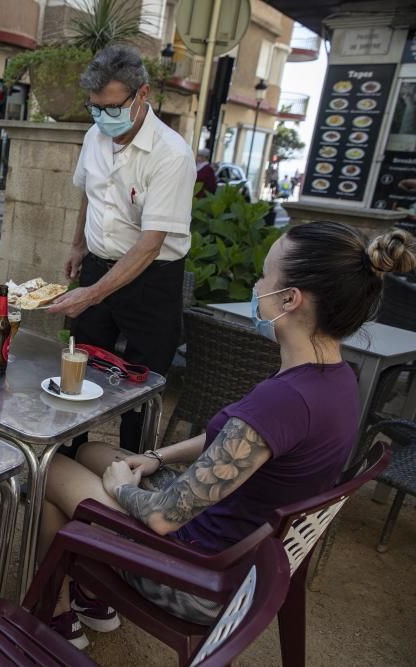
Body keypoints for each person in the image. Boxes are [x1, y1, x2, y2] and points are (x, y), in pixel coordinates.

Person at [39, 222, 416, 649]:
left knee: (50, 469)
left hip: (194, 576)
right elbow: (244, 443)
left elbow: (163, 517)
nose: (256, 286)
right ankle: (93, 595)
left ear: (290, 299)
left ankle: (57, 613)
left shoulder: (286, 399)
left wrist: (125, 490)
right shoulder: (334, 376)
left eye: (265, 276)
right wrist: (159, 457)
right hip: (236, 545)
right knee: (91, 449)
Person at [49, 45, 195, 453]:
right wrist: (78, 245)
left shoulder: (171, 155)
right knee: (79, 371)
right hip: (97, 265)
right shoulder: (93, 135)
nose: (102, 117)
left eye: (111, 107)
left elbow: (150, 245)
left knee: (142, 386)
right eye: (94, 107)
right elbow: (88, 193)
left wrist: (90, 295)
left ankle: (133, 472)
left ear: (142, 94)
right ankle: (68, 459)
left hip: (152, 280)